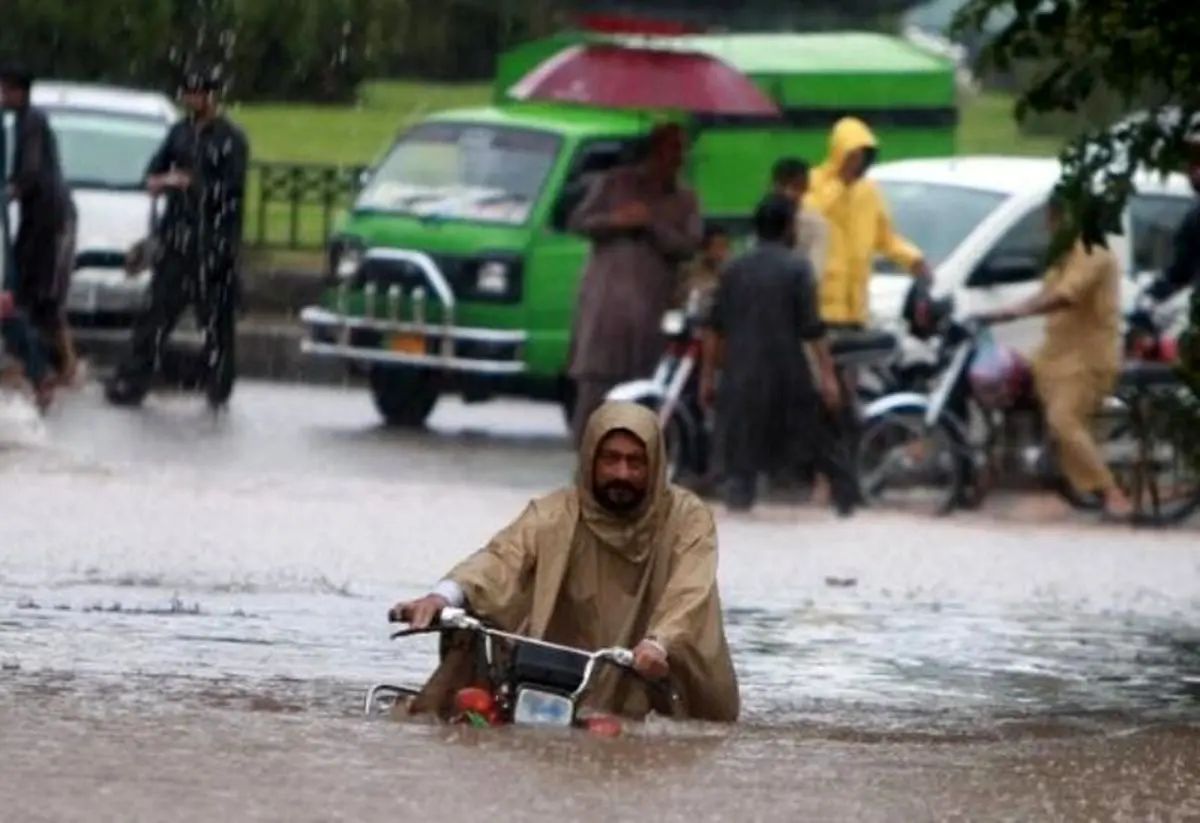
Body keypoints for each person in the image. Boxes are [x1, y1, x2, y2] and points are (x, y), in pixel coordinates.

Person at [391, 401, 740, 723]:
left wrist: (659, 642)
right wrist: (444, 597)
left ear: (656, 465)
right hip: (562, 677)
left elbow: (689, 592)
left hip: (657, 669)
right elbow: (501, 559)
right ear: (590, 460)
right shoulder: (554, 515)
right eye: (611, 459)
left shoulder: (687, 519)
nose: (622, 473)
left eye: (636, 462)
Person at [699, 193, 858, 515]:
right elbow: (813, 329)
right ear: (788, 228)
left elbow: (714, 328)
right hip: (787, 372)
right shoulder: (797, 268)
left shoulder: (733, 270)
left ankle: (740, 500)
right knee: (816, 439)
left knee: (742, 453)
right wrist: (827, 376)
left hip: (740, 374)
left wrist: (707, 377)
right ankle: (846, 501)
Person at [978, 194, 1133, 519]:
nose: (1048, 228)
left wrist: (1015, 313)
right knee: (1001, 381)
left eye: (1052, 220)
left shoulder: (1093, 251)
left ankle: (1110, 490)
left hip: (1085, 359)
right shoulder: (1064, 255)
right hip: (1054, 354)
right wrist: (998, 312)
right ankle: (997, 467)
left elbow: (1064, 297)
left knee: (1062, 420)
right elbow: (1044, 293)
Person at [105, 64, 249, 410]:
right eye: (188, 94)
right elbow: (155, 170)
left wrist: (193, 184)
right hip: (177, 239)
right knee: (156, 314)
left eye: (198, 94)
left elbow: (231, 189)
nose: (192, 100)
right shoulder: (179, 132)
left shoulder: (230, 139)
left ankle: (219, 384)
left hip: (213, 244)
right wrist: (158, 182)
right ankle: (133, 380)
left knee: (216, 320)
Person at [566, 122, 703, 446]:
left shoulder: (685, 199)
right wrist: (617, 221)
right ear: (655, 150)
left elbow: (689, 246)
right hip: (605, 305)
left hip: (651, 308)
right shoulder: (613, 183)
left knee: (643, 385)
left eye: (682, 150)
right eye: (672, 149)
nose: (679, 158)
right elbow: (578, 222)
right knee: (596, 383)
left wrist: (653, 224)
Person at [804, 117, 931, 326]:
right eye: (852, 156)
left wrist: (914, 260)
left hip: (856, 310)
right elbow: (808, 218)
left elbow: (886, 239)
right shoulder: (813, 182)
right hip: (819, 309)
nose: (858, 163)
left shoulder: (869, 192)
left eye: (863, 157)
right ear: (839, 152)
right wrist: (841, 183)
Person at [1, 64, 78, 393]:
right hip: (39, 218)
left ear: (18, 92)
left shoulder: (29, 122)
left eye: (5, 90)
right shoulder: (23, 121)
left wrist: (9, 194)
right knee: (25, 295)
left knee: (43, 298)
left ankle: (63, 367)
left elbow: (29, 172)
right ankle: (46, 364)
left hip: (49, 219)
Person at [770, 156, 828, 274]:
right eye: (784, 186)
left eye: (797, 187)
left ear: (805, 189)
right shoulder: (766, 215)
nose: (789, 193)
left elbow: (814, 272)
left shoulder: (815, 224)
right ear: (774, 186)